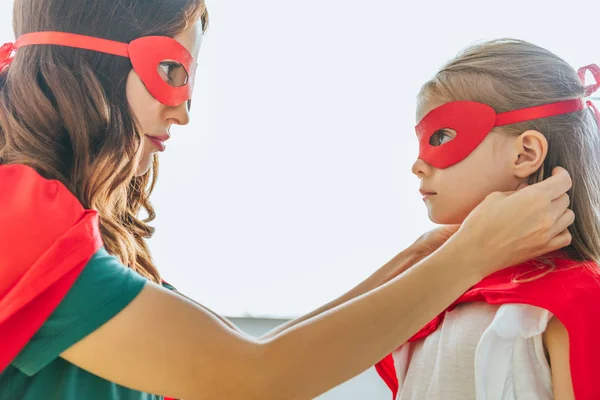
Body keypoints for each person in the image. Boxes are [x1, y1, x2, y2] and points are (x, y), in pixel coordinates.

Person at [0, 2, 574, 399]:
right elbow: (254, 377)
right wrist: (467, 257)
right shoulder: (17, 221)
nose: (184, 111)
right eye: (171, 70)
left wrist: (418, 259)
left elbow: (256, 352)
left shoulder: (48, 220)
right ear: (93, 60)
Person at [375, 39, 600, 400]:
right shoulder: (431, 300)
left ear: (525, 153)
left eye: (442, 136)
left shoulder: (575, 302)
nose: (417, 165)